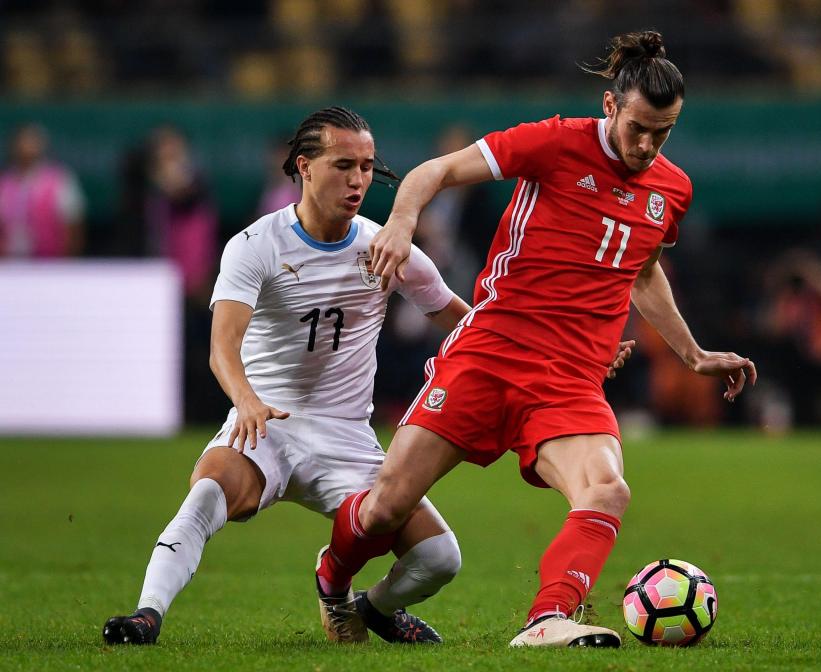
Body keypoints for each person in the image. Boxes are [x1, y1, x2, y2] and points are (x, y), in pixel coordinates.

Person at [314, 31, 757, 648]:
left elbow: (643, 267)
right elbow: (433, 171)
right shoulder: (553, 142)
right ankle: (333, 579)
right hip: (489, 353)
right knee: (387, 506)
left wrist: (693, 353)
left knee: (606, 489)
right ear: (610, 106)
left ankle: (548, 617)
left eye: (664, 131)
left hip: (570, 378)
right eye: (639, 129)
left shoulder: (671, 189)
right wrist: (400, 223)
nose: (648, 145)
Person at [101, 107, 469, 647]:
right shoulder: (256, 245)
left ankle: (366, 606)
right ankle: (146, 615)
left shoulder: (385, 248)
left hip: (347, 437)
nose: (359, 180)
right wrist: (246, 400)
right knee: (207, 494)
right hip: (266, 425)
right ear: (305, 167)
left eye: (367, 167)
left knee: (440, 559)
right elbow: (222, 348)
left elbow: (464, 321)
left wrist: (554, 349)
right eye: (344, 164)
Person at [0, 123, 85, 258]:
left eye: (32, 142)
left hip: (49, 265)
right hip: (8, 266)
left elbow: (73, 226)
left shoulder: (59, 180)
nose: (26, 147)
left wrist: (68, 263)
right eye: (22, 141)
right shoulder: (3, 183)